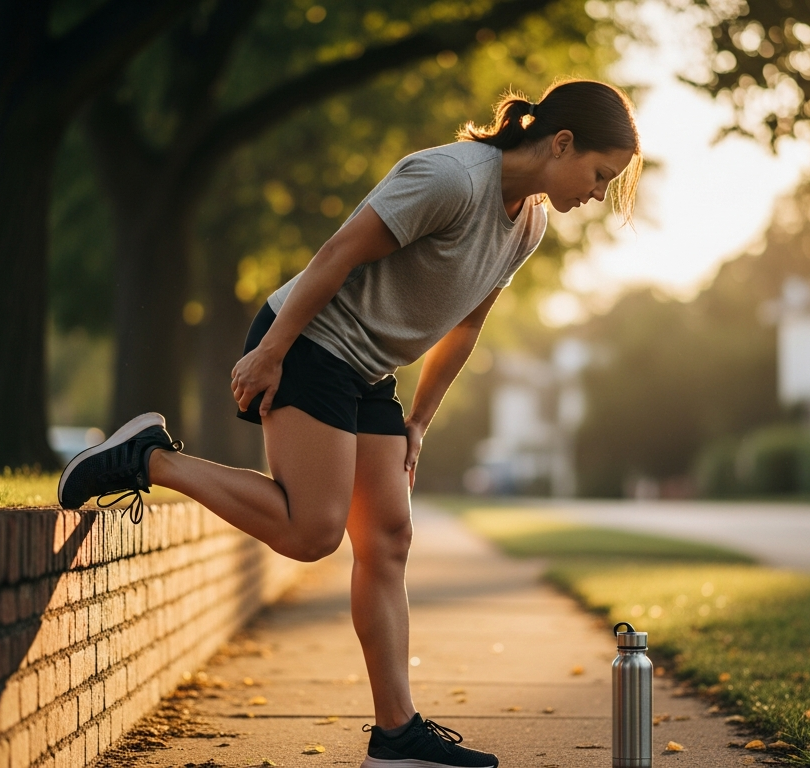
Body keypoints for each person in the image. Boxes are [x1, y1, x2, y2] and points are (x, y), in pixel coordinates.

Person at [58, 78, 641, 767]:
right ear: (562, 143)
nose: (599, 193)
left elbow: (465, 325)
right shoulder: (450, 179)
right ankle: (151, 458)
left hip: (368, 371)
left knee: (389, 537)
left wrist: (418, 422)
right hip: (310, 340)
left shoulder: (530, 224)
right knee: (313, 533)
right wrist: (270, 352)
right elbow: (336, 254)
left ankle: (396, 736)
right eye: (600, 175)